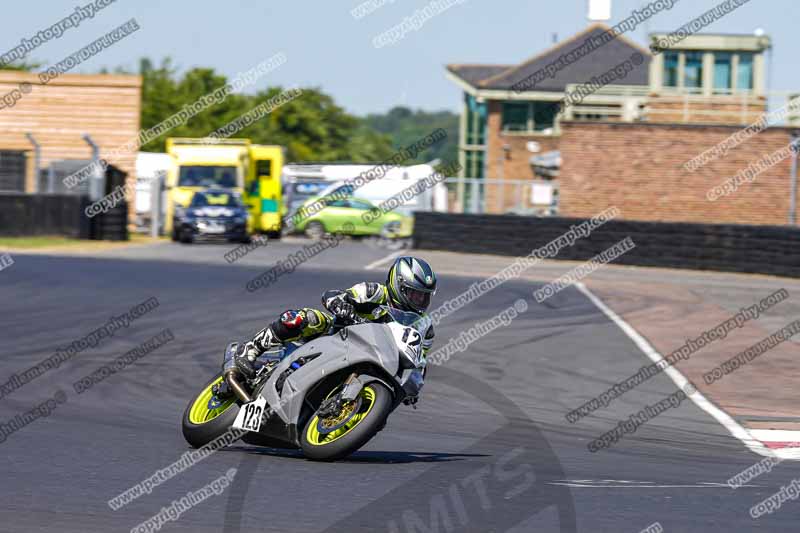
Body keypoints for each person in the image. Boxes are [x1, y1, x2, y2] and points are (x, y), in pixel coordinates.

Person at [234, 256, 437, 381]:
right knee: (303, 318)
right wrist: (342, 307)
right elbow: (333, 295)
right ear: (398, 285)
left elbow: (420, 360)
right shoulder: (374, 292)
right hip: (338, 335)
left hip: (374, 360)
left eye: (424, 295)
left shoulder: (424, 326)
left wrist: (415, 381)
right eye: (414, 293)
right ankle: (251, 348)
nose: (420, 300)